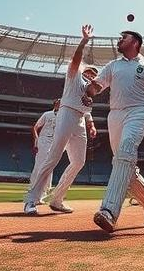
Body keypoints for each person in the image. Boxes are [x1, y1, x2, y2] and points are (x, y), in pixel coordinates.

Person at [83, 30, 144, 233]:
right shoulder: (113, 65)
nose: (119, 40)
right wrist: (88, 90)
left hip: (138, 112)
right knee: (124, 164)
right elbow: (97, 87)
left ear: (135, 42)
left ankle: (108, 211)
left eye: (123, 38)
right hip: (115, 115)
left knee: (126, 151)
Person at [24, 25, 98, 215]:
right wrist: (84, 41)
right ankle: (30, 200)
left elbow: (88, 109)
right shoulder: (74, 77)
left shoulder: (90, 93)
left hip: (79, 121)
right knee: (53, 157)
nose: (92, 76)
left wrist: (91, 126)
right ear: (83, 72)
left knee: (79, 161)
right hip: (66, 114)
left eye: (94, 75)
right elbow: (76, 60)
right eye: (89, 72)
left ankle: (57, 199)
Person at [28, 99, 60, 205]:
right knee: (39, 166)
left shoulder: (63, 117)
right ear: (55, 104)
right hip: (44, 141)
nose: (59, 104)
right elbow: (35, 127)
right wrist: (36, 141)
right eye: (58, 102)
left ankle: (42, 194)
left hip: (54, 143)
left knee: (49, 168)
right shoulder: (47, 114)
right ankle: (33, 192)